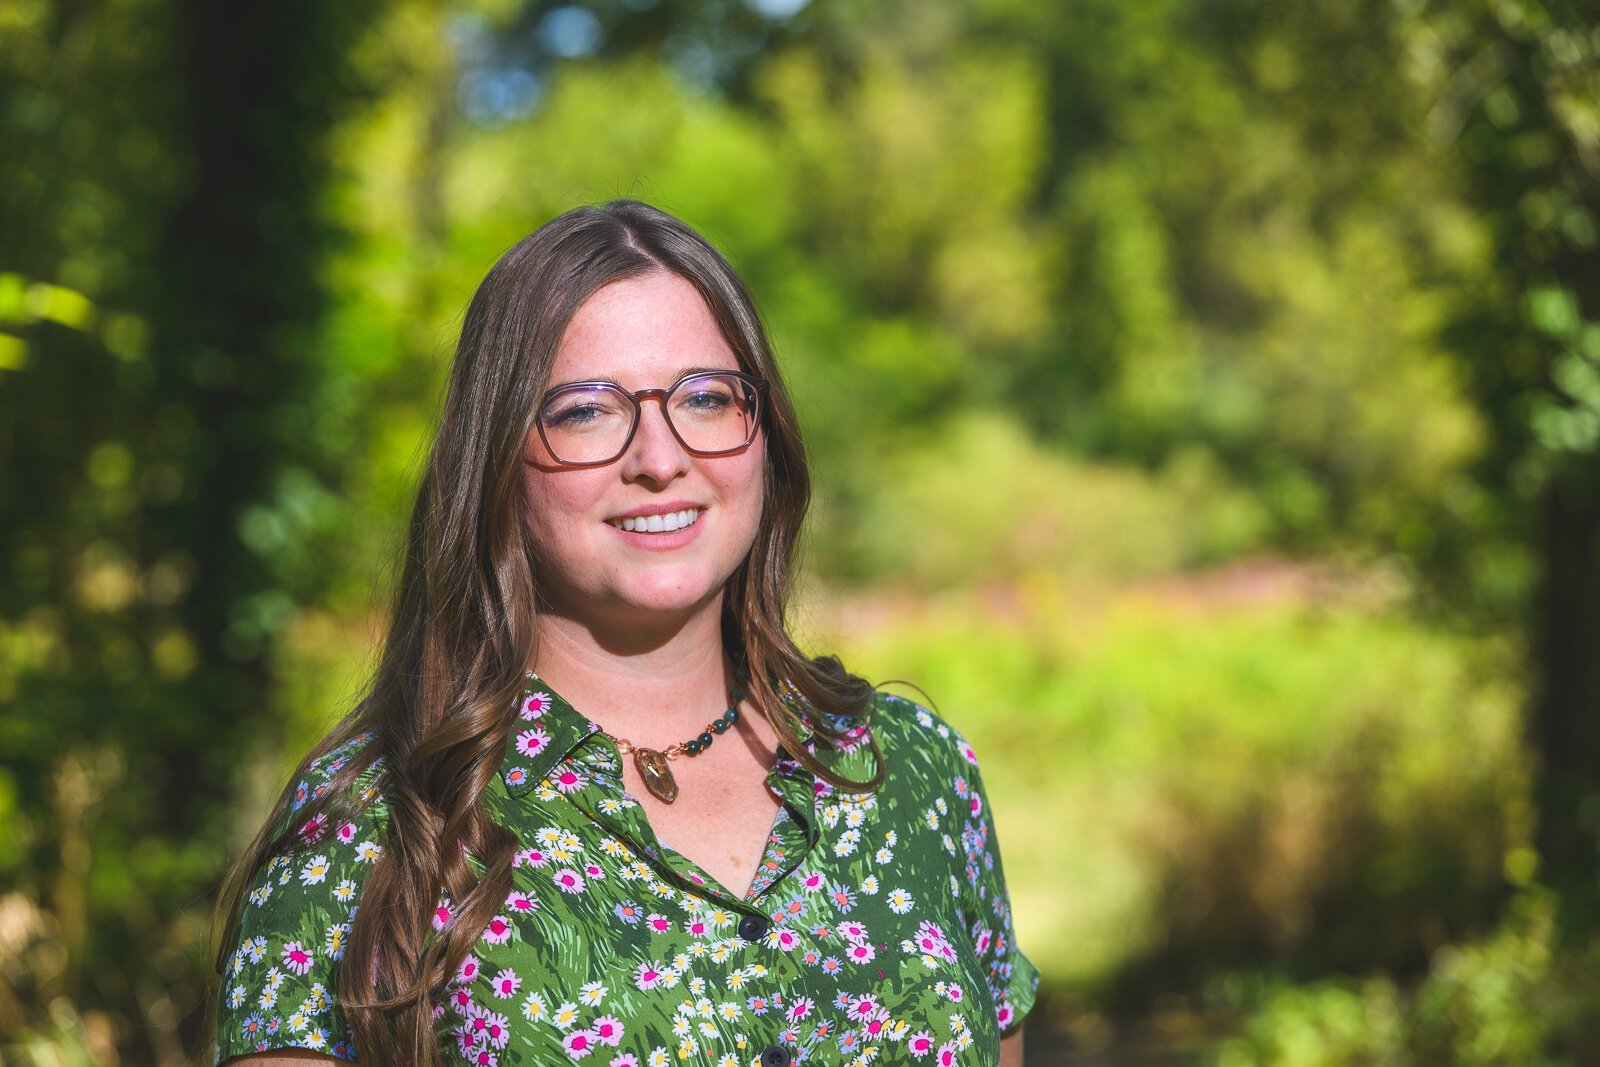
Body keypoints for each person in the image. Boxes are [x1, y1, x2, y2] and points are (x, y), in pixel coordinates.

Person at [211, 200, 1037, 1067]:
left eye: (706, 397)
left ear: (766, 436)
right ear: (493, 461)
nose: (658, 457)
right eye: (586, 411)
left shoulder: (911, 772)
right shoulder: (377, 827)